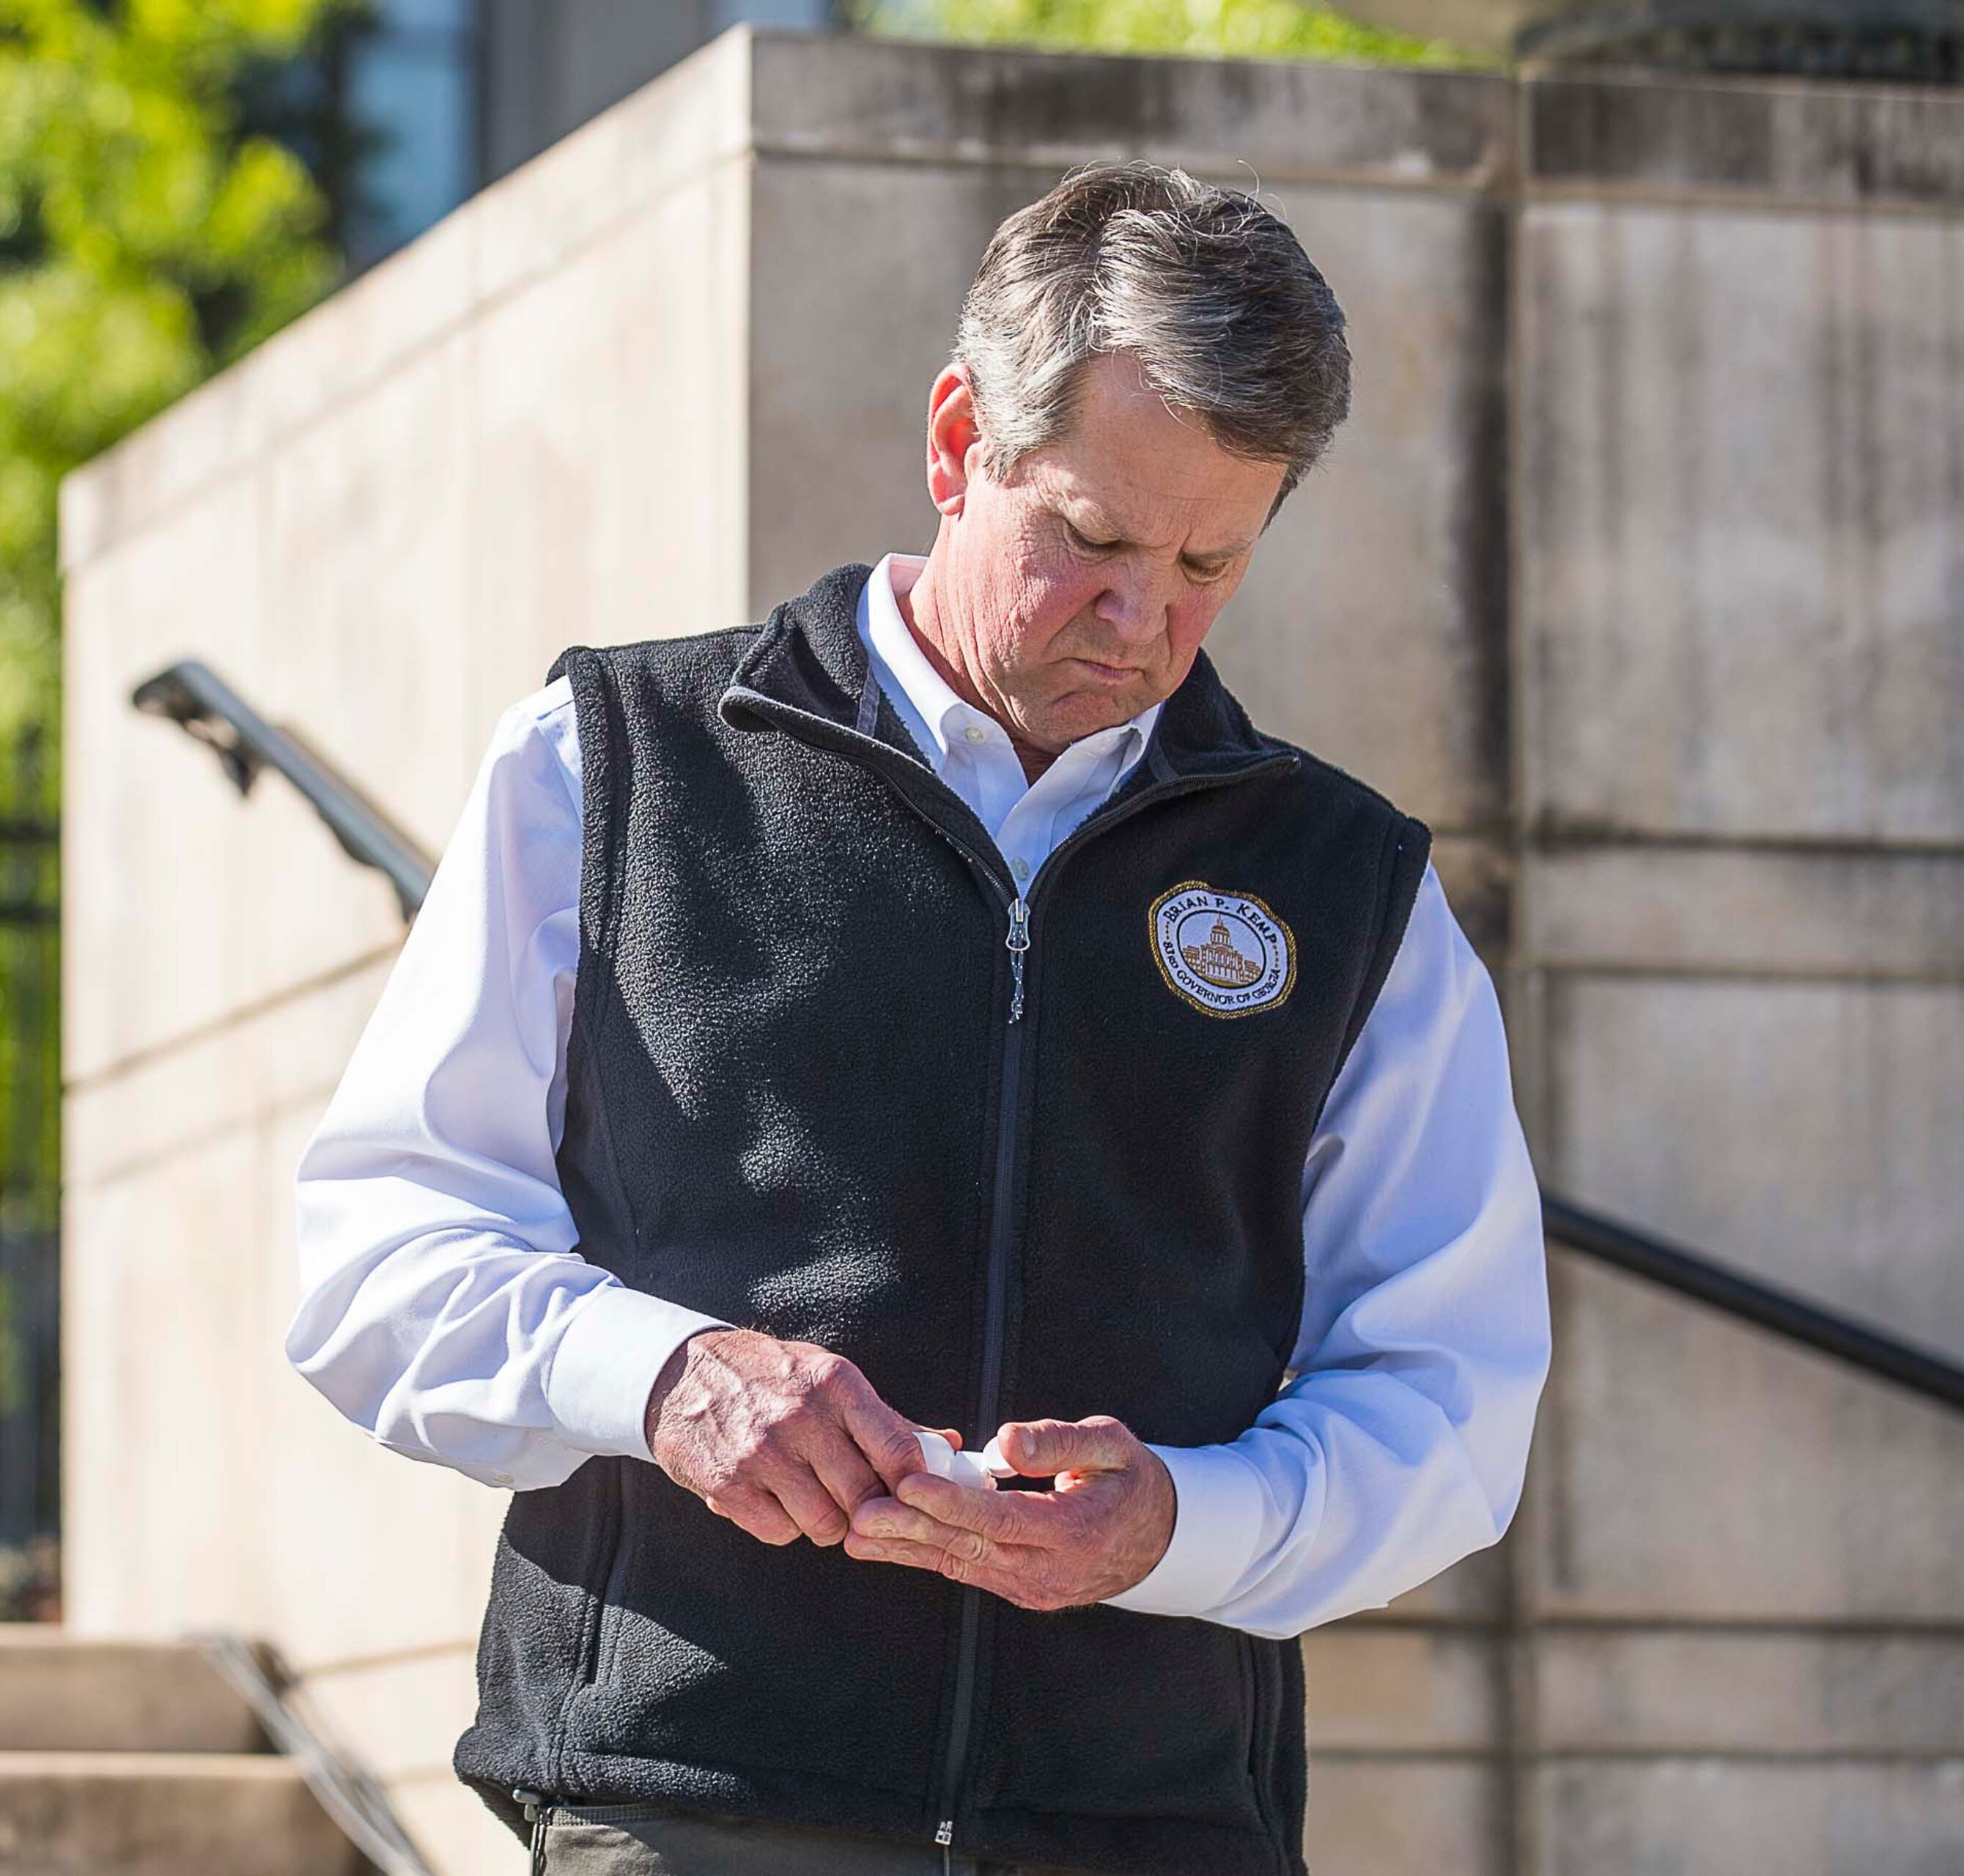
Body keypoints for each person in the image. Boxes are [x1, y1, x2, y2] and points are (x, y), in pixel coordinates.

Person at [287, 160, 1549, 1875]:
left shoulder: (1347, 890)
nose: (1143, 620)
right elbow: (377, 1247)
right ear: (959, 440)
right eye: (1092, 539)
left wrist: (1182, 1522)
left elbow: (1452, 1392)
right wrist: (664, 1374)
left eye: (1210, 562)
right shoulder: (615, 763)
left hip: (1154, 1828)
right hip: (695, 1810)